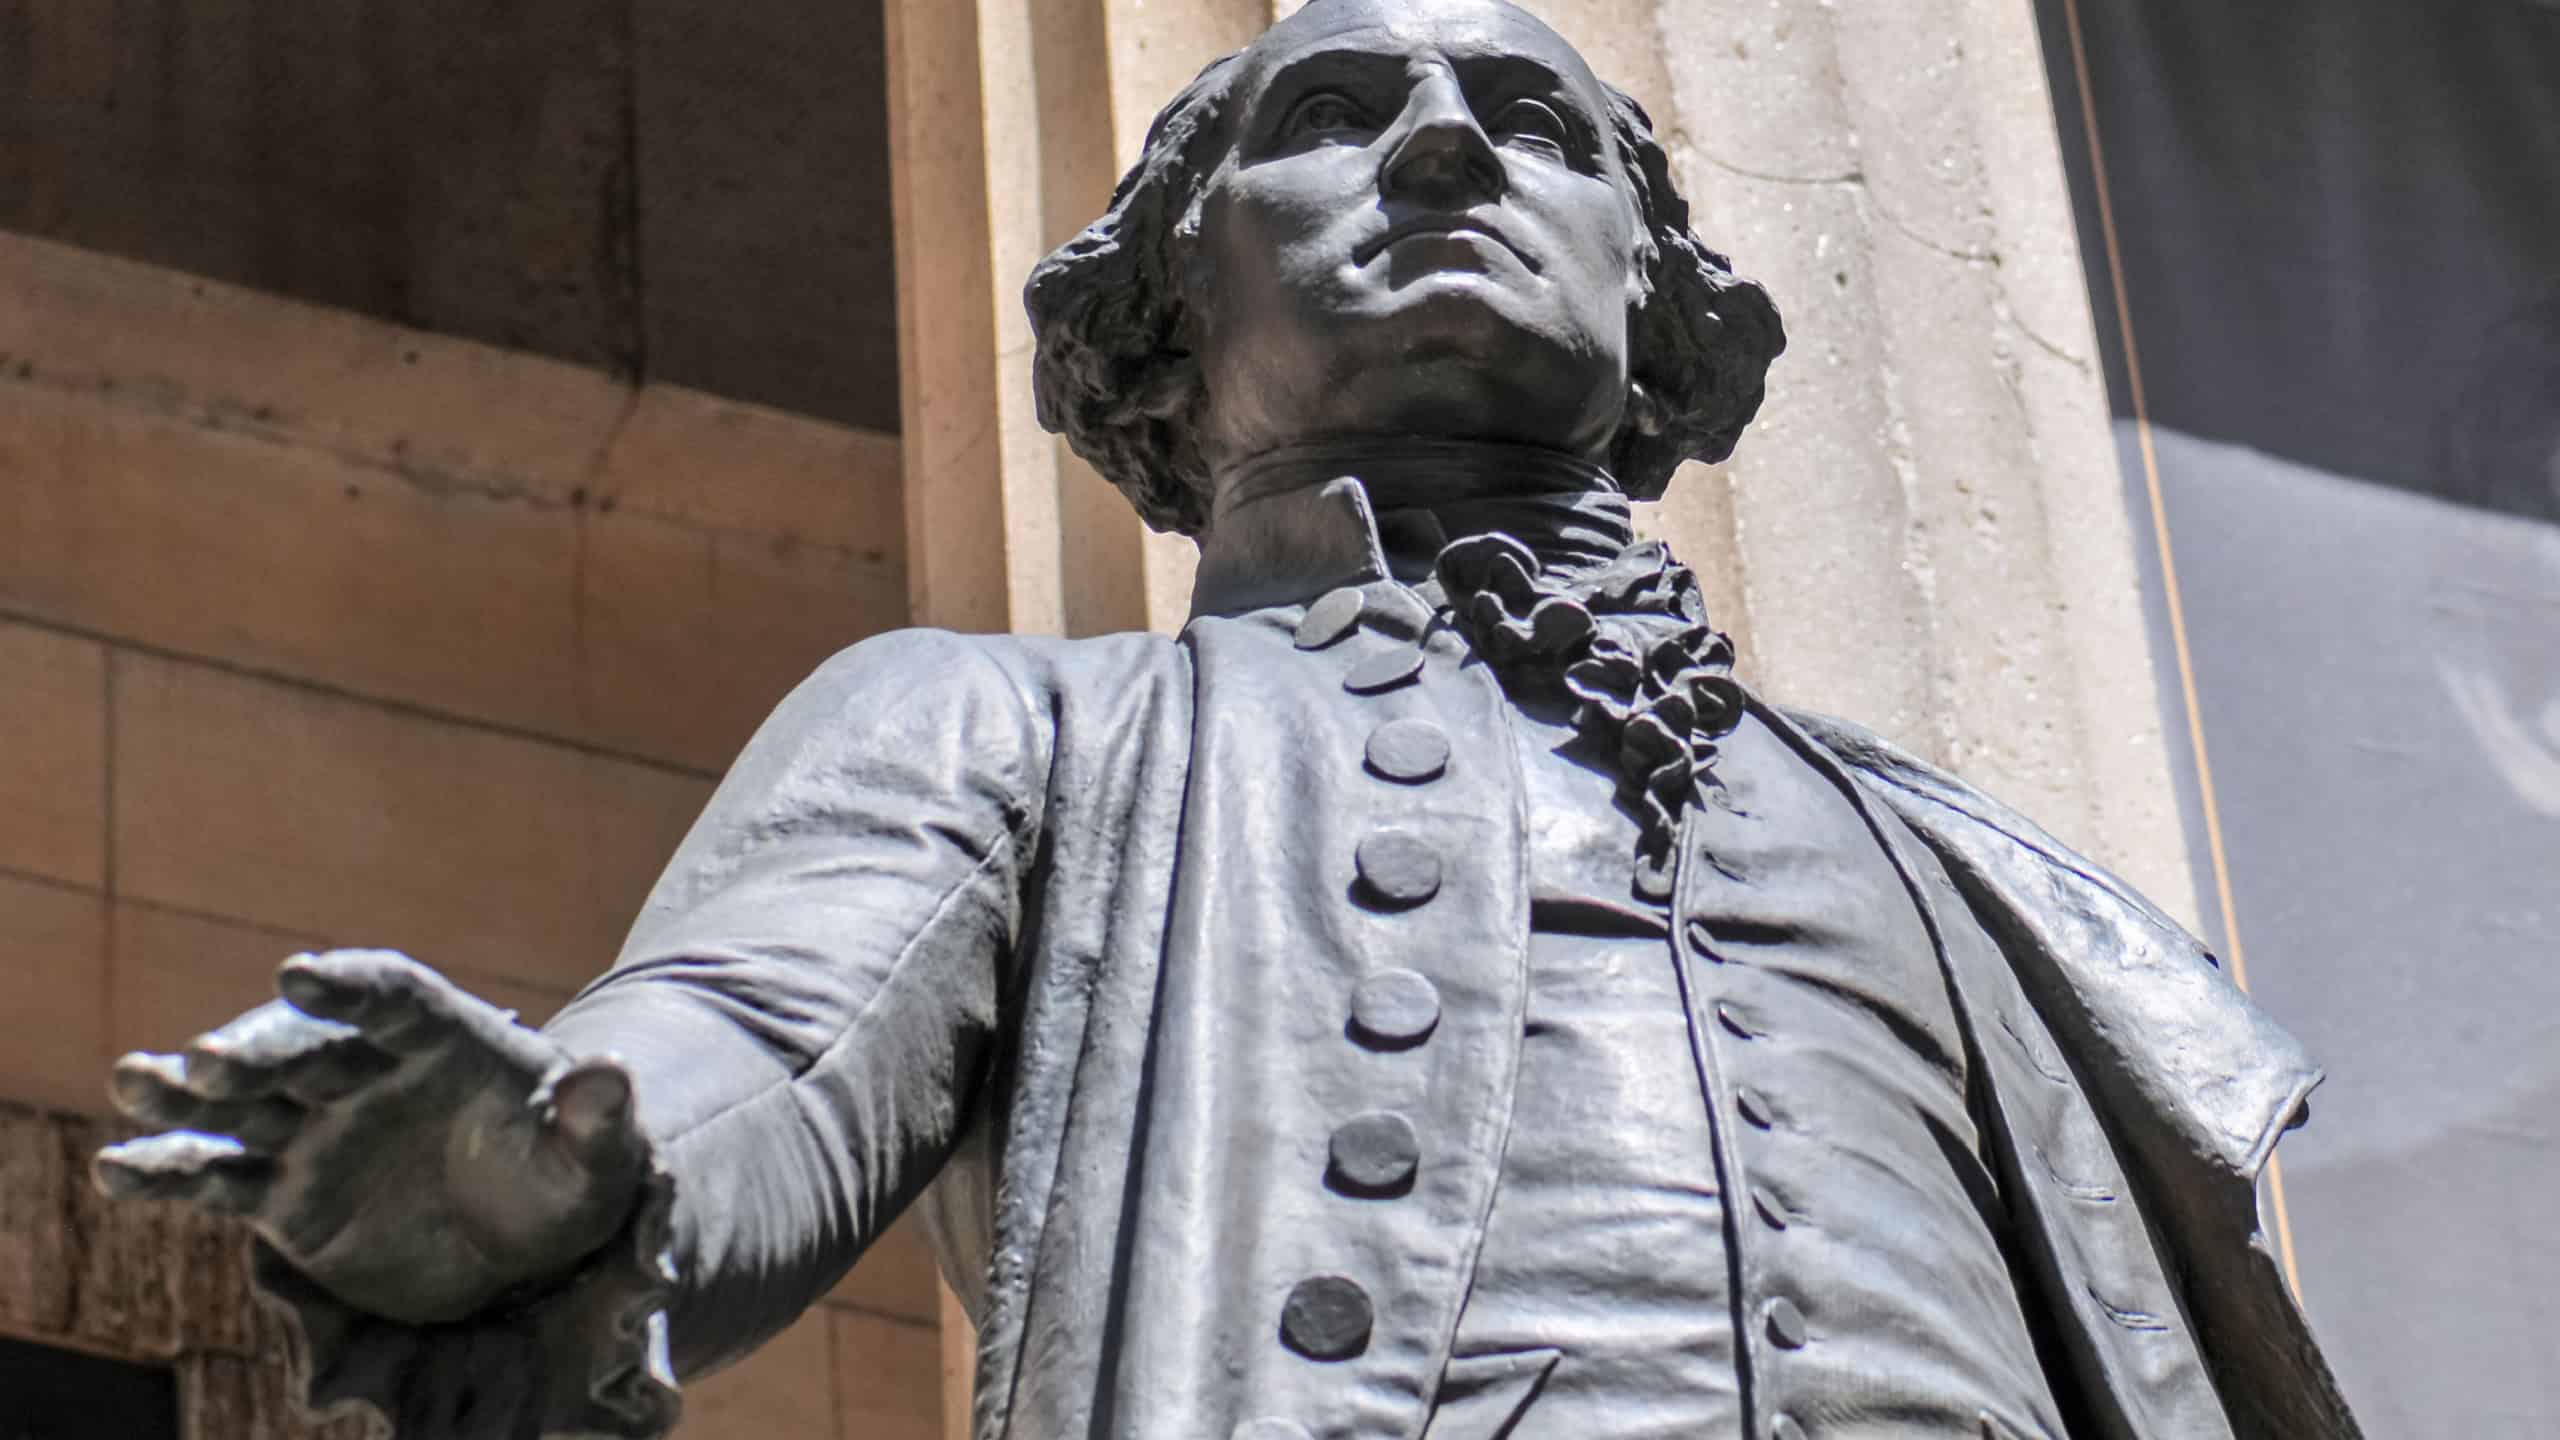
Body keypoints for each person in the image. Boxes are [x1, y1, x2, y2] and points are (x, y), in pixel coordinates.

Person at [95, 2, 2361, 1436]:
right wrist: (555, 1154)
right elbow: (759, 1037)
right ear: (1168, 323)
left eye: (1537, 126)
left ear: (1661, 316)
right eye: (1343, 114)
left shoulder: (1937, 856)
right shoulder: (1021, 729)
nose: (1452, 156)